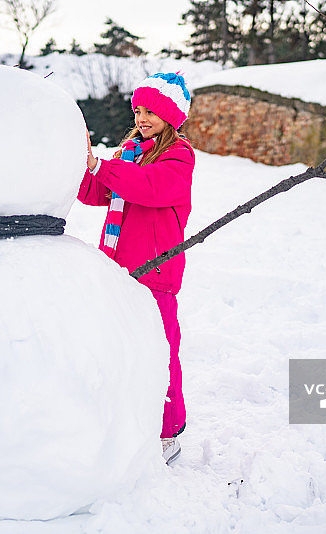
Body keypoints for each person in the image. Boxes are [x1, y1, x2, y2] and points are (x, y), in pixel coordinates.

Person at [78, 72, 194, 465]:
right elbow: (99, 193)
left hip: (156, 271)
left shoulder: (178, 155)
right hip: (118, 268)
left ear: (171, 117)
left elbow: (152, 187)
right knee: (118, 348)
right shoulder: (129, 151)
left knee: (161, 352)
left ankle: (166, 433)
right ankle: (124, 423)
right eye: (139, 110)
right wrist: (83, 166)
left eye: (151, 111)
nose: (142, 117)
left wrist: (105, 169)